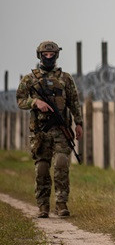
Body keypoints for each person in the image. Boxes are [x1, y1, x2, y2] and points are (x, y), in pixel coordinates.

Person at [16, 41, 83, 218]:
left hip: (61, 130)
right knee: (42, 168)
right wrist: (35, 102)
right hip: (40, 131)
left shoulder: (66, 78)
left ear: (56, 55)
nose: (48, 57)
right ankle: (43, 205)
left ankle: (61, 203)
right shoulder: (30, 79)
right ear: (39, 55)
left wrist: (79, 123)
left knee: (61, 164)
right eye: (45, 55)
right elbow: (20, 100)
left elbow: (74, 102)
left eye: (51, 54)